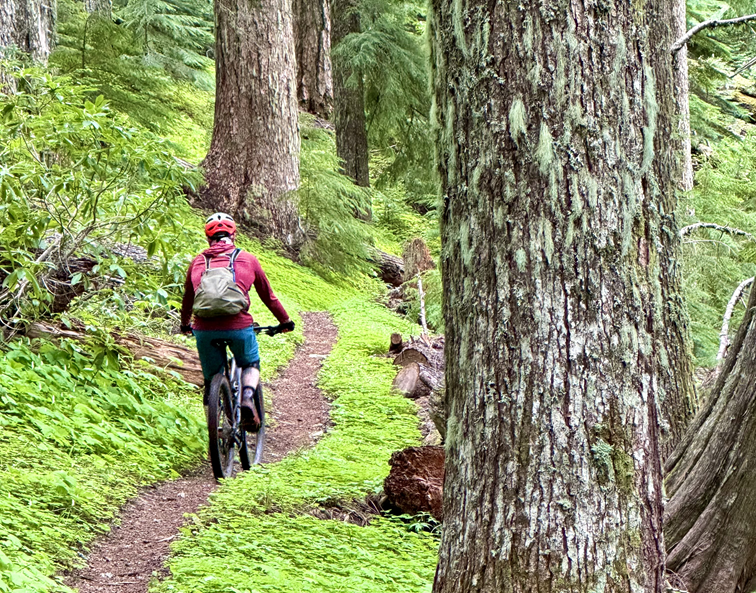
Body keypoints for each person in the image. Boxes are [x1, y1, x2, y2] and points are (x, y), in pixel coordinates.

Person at [180, 212, 294, 429]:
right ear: (234, 235)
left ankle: (215, 422)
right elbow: (268, 297)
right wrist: (285, 321)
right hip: (238, 326)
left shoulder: (198, 262)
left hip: (204, 329)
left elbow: (188, 299)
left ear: (208, 238)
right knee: (250, 362)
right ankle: (247, 398)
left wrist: (186, 324)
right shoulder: (247, 259)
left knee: (211, 378)